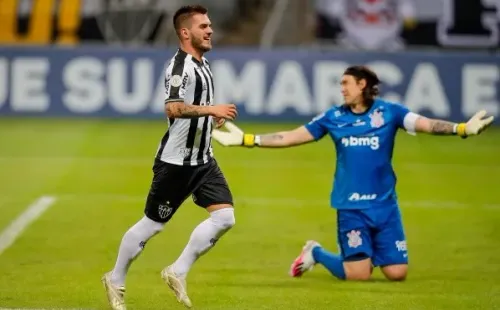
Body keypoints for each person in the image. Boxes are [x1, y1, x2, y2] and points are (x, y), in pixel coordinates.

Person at [211, 65, 494, 282]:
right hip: (351, 206)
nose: (342, 89)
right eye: (341, 84)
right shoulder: (333, 117)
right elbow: (291, 136)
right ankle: (316, 252)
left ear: (363, 84)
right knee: (359, 275)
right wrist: (250, 140)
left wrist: (460, 129)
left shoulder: (390, 112)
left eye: (346, 84)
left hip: (385, 205)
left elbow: (425, 124)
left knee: (397, 273)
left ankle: (360, 255)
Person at [102, 5, 238, 309]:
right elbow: (173, 108)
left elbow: (194, 106)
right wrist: (212, 110)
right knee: (153, 224)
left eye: (210, 25)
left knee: (225, 217)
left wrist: (209, 117)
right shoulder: (180, 68)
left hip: (203, 160)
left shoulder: (203, 64)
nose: (210, 30)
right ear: (185, 33)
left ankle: (177, 271)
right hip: (176, 164)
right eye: (203, 26)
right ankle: (116, 278)